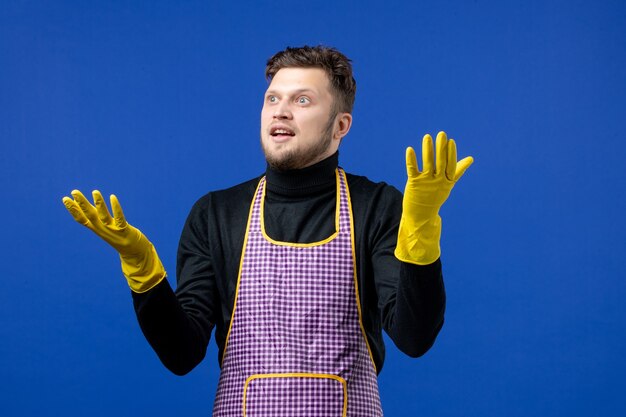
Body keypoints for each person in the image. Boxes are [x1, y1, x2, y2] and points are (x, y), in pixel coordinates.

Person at [63, 45, 473, 416]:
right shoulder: (215, 214)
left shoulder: (376, 206)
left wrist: (420, 227)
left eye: (302, 100)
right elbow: (182, 353)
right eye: (272, 99)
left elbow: (413, 338)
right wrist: (142, 269)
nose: (280, 111)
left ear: (341, 125)